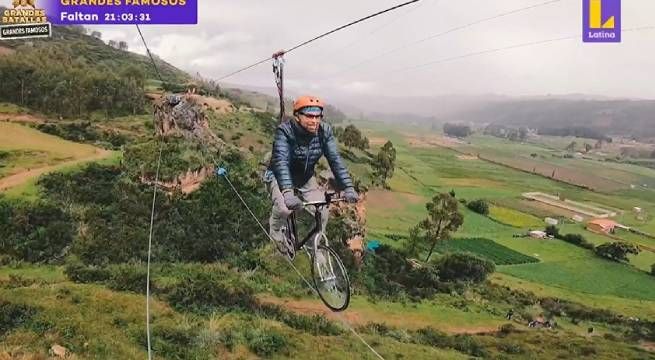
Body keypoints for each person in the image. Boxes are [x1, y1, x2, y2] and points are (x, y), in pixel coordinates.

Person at [265, 95, 359, 257]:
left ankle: (315, 246)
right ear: (297, 116)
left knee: (322, 211)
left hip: (305, 177)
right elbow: (280, 162)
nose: (314, 121)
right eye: (309, 116)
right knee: (284, 209)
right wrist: (287, 193)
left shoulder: (324, 132)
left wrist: (348, 187)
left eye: (317, 116)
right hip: (279, 176)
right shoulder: (285, 131)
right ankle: (275, 231)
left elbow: (335, 160)